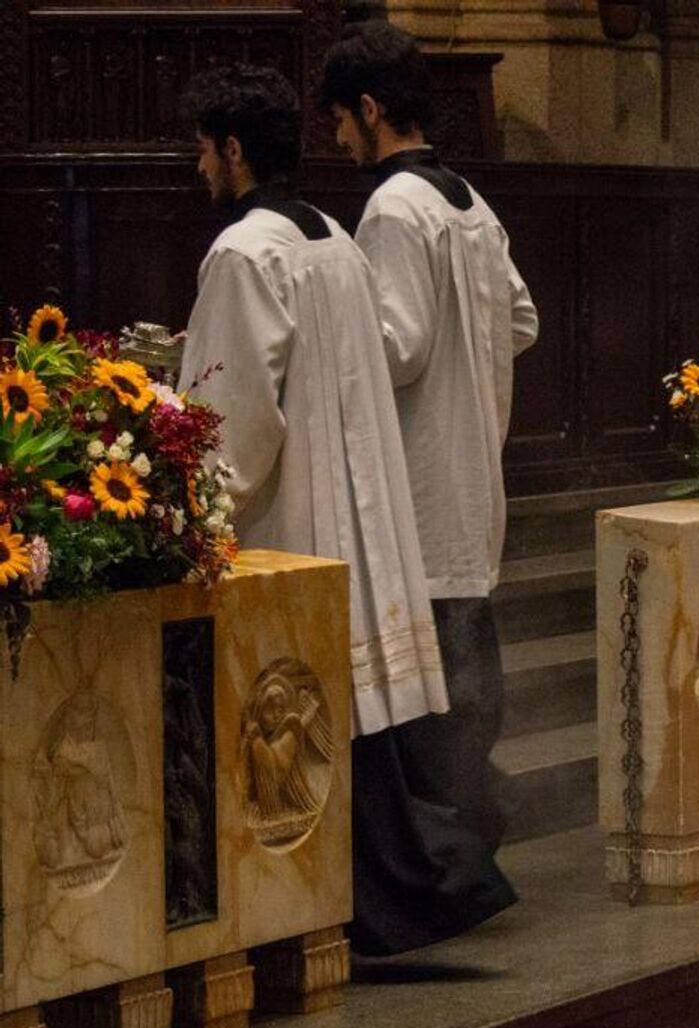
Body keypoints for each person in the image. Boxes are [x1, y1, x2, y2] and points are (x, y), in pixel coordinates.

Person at [179, 64, 518, 956]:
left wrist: (191, 503)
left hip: (293, 517)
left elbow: (238, 418)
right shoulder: (331, 235)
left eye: (204, 150)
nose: (198, 168)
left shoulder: (245, 252)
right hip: (353, 502)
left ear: (235, 149)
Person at [321, 21, 540, 857]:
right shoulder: (467, 199)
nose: (339, 139)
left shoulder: (392, 206)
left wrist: (329, 326)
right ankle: (471, 836)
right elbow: (521, 317)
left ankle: (453, 857)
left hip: (420, 475)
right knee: (469, 661)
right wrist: (470, 357)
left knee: (437, 683)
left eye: (341, 119)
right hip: (473, 465)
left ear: (372, 109)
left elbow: (398, 345)